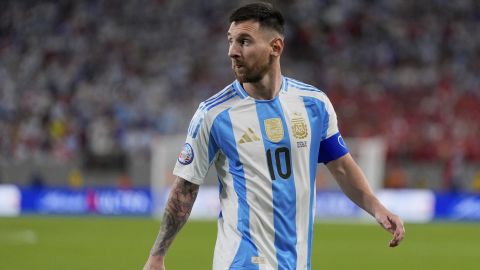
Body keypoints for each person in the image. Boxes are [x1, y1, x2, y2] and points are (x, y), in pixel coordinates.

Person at [144, 2, 405, 270]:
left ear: (276, 47)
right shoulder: (213, 114)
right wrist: (157, 255)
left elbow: (341, 166)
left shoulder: (314, 104)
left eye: (244, 41)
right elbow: (186, 187)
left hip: (296, 261)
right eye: (230, 41)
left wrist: (377, 207)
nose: (233, 51)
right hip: (241, 260)